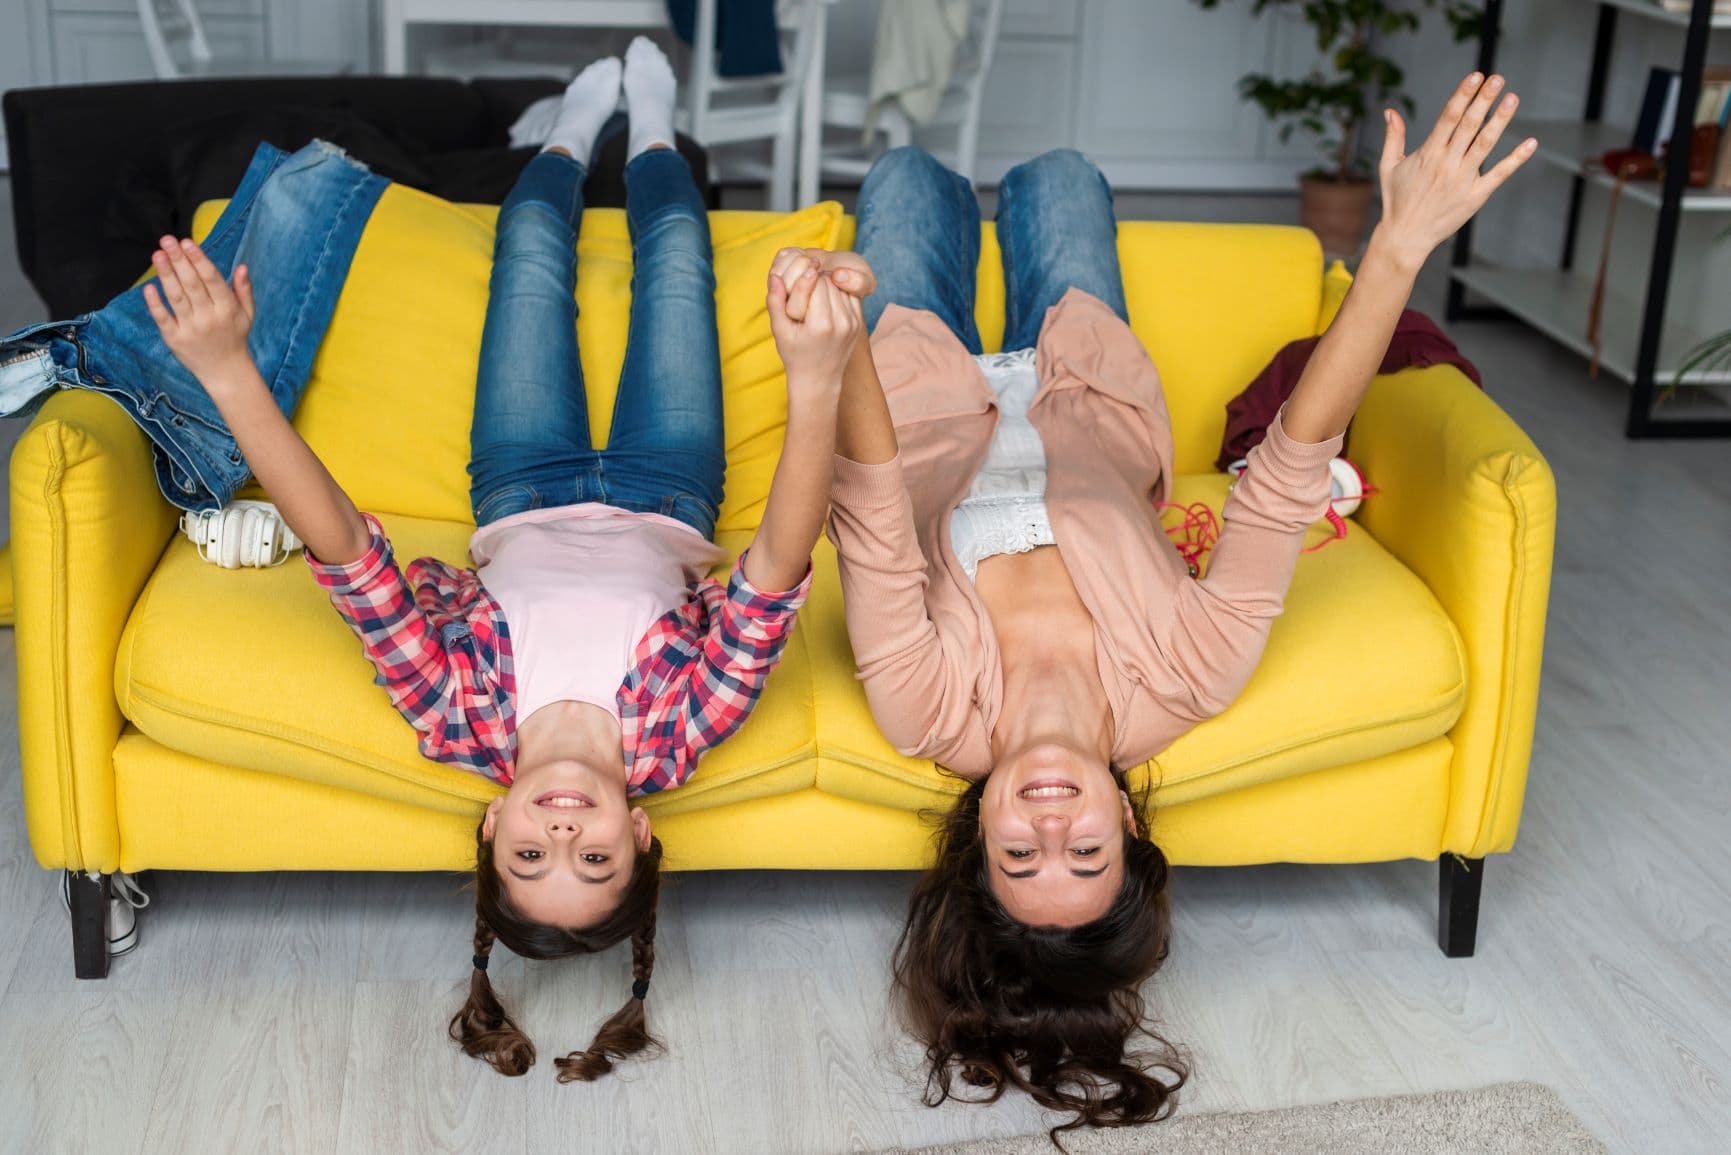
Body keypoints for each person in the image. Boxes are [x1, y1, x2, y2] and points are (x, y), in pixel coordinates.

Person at [804, 72, 1536, 1131]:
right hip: (1082, 387)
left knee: (905, 175)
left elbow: (872, 506)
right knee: (1061, 175)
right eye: (1086, 853)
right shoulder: (1188, 679)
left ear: (974, 841)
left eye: (1020, 855)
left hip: (917, 394)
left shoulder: (926, 710)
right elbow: (1287, 475)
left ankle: (933, 233)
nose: (1051, 824)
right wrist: (1398, 244)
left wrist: (839, 344)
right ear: (1131, 824)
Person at [136, 39, 863, 1080]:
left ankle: (568, 134)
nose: (563, 832)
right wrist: (816, 387)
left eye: (530, 855)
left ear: (491, 823)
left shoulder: (456, 714)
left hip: (522, 484)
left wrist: (227, 373)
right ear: (644, 837)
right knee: (675, 258)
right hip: (668, 487)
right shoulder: (679, 733)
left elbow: (349, 556)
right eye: (595, 859)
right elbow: (774, 574)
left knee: (527, 241)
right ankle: (652, 126)